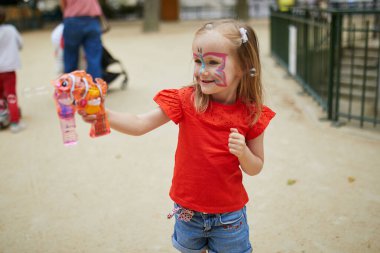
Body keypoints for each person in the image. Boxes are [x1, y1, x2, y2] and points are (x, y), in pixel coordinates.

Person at [80, 19, 276, 253]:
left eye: (213, 62)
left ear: (244, 66)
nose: (202, 71)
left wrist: (243, 152)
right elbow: (139, 124)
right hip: (187, 213)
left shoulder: (252, 114)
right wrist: (103, 113)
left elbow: (255, 167)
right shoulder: (186, 100)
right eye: (197, 60)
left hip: (230, 218)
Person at [59, 0, 103, 79]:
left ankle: (70, 87)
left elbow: (63, 4)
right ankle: (94, 87)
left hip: (72, 21)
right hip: (92, 20)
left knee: (70, 57)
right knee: (94, 59)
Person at [0, 7, 25, 133]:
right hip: (8, 69)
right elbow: (20, 44)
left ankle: (2, 118)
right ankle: (15, 122)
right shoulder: (11, 29)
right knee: (11, 96)